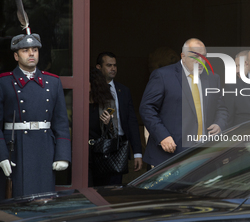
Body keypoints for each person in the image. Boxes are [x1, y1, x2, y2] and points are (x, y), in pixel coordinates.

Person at [0, 33, 71, 202]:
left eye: (35, 50)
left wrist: (62, 155)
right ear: (16, 55)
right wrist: (0, 155)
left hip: (44, 150)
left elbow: (61, 122)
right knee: (15, 208)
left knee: (42, 205)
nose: (31, 54)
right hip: (15, 151)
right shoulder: (2, 82)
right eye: (25, 50)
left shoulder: (53, 82)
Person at [140, 38, 228, 167]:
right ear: (183, 56)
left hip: (204, 153)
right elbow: (147, 108)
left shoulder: (213, 78)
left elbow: (221, 108)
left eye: (204, 56)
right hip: (170, 153)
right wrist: (163, 136)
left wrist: (219, 123)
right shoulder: (163, 75)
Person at [96, 52, 143, 184]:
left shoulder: (123, 90)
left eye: (115, 65)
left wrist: (137, 153)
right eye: (109, 65)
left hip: (119, 145)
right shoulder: (91, 89)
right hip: (99, 146)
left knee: (115, 187)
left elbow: (132, 122)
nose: (113, 69)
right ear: (99, 67)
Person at [88, 68, 116, 186]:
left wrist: (108, 123)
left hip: (100, 151)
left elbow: (115, 132)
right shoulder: (76, 99)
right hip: (81, 150)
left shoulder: (107, 102)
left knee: (100, 187)